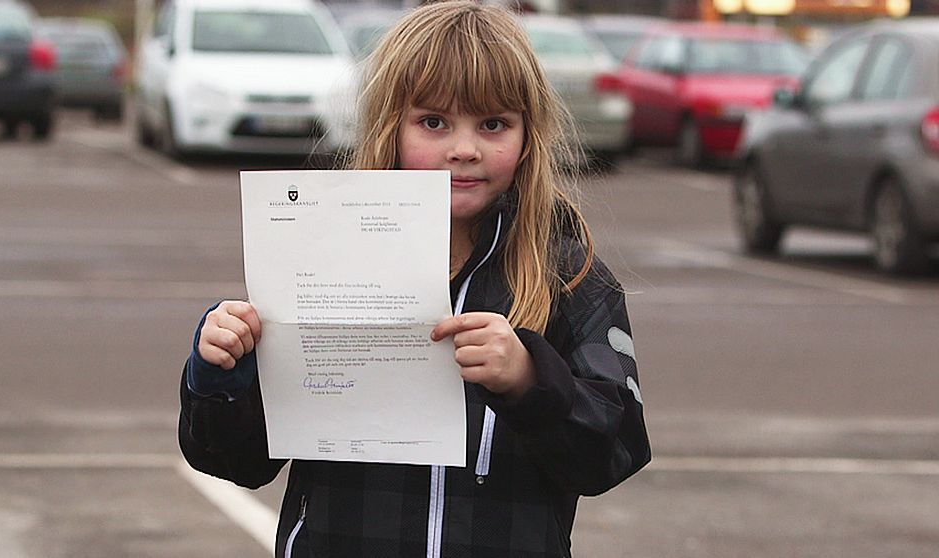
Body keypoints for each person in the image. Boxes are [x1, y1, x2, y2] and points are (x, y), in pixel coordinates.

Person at [178, 1, 650, 556]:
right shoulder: (320, 257)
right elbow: (239, 462)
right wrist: (220, 373)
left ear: (528, 136)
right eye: (434, 123)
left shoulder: (570, 278)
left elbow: (613, 452)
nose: (464, 149)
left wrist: (531, 381)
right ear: (391, 128)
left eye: (493, 124)